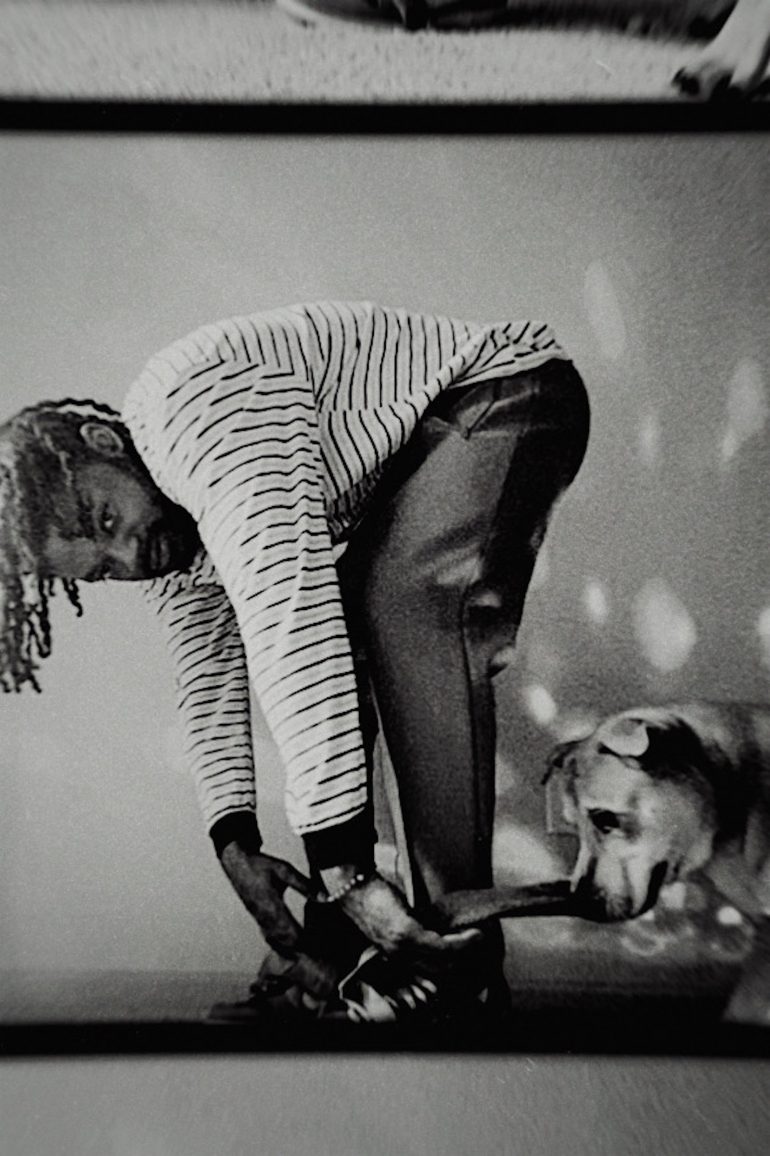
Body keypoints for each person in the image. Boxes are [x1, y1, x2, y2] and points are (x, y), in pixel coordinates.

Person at [0, 300, 589, 1023]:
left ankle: (451, 960)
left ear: (103, 441)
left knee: (403, 608)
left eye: (105, 518)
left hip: (504, 393)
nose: (128, 555)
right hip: (430, 448)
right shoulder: (177, 535)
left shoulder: (188, 413)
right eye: (100, 567)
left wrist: (344, 870)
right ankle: (339, 955)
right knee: (352, 647)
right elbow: (209, 681)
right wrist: (234, 841)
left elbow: (288, 613)